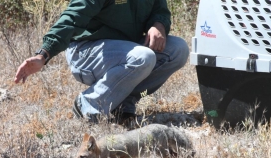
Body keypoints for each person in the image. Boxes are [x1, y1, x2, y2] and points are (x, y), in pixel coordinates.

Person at [14, 0, 189, 124]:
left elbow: (160, 9)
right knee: (143, 57)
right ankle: (88, 105)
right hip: (85, 51)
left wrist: (158, 24)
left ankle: (123, 103)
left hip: (127, 48)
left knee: (178, 49)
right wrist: (44, 53)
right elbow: (73, 16)